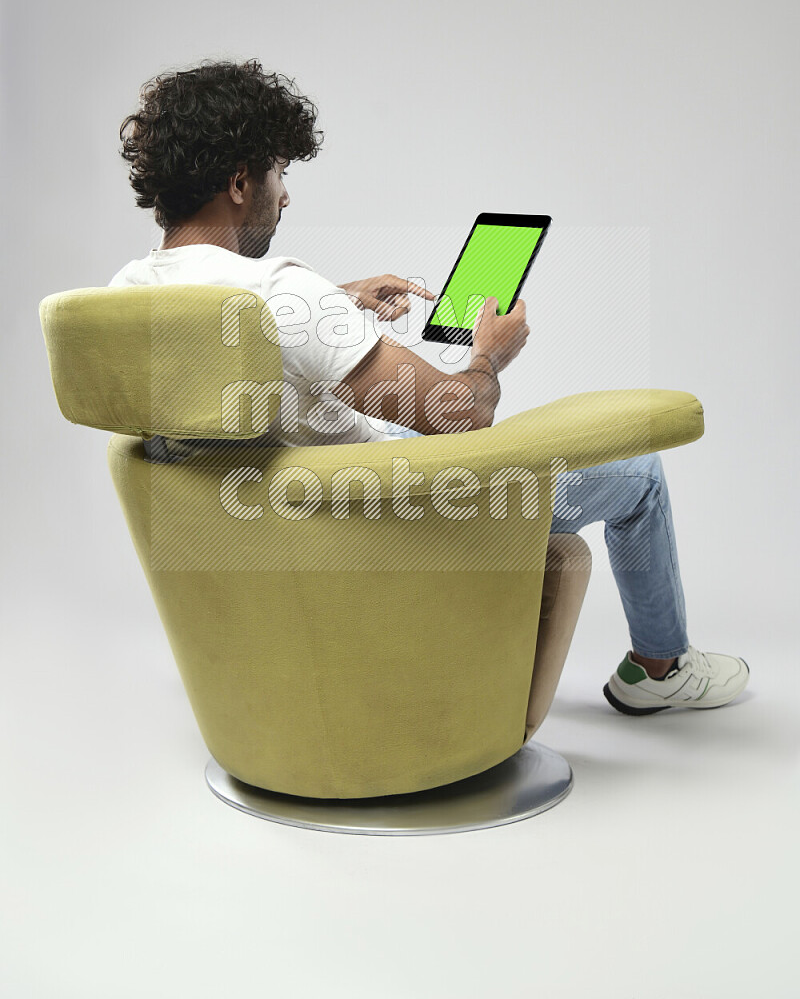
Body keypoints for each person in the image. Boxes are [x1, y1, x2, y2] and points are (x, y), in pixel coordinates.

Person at [108, 57, 750, 717]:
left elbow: (238, 343)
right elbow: (461, 418)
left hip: (263, 528)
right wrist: (489, 356)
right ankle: (661, 667)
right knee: (637, 466)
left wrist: (335, 303)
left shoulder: (123, 297)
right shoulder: (280, 291)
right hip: (381, 512)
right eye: (278, 172)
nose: (285, 194)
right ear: (240, 182)